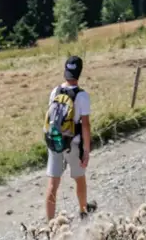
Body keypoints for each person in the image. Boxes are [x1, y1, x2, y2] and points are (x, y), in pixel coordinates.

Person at [44, 56, 96, 222]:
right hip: (73, 144)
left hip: (54, 141)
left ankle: (50, 223)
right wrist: (86, 150)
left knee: (53, 184)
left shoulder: (55, 91)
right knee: (79, 179)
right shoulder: (82, 96)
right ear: (79, 72)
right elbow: (86, 125)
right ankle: (83, 212)